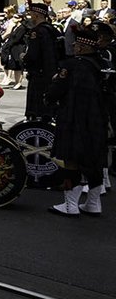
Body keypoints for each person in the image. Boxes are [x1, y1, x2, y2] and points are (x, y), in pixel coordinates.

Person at [46, 20, 110, 217]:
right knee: (95, 159)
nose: (72, 46)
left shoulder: (72, 65)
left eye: (75, 44)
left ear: (81, 47)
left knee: (71, 160)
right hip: (98, 118)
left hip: (74, 118)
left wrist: (49, 95)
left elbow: (55, 91)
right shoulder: (103, 63)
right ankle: (93, 203)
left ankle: (70, 205)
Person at [21, 2, 61, 120]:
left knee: (37, 109)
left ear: (37, 14)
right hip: (51, 72)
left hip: (39, 74)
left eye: (31, 13)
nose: (29, 16)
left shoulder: (37, 32)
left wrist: (24, 57)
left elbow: (34, 55)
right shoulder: (52, 29)